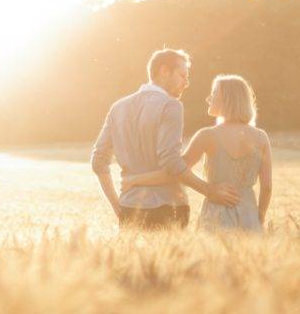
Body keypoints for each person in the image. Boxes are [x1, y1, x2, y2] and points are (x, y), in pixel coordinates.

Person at [90, 49, 242, 229]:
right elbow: (171, 162)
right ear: (163, 72)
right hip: (167, 208)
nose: (187, 83)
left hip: (129, 207)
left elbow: (98, 161)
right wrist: (208, 190)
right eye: (182, 75)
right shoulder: (171, 105)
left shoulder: (118, 107)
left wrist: (118, 207)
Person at [121, 73, 271, 232]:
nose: (209, 98)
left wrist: (135, 179)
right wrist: (259, 217)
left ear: (227, 99)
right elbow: (267, 187)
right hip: (250, 216)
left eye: (214, 93)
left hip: (216, 217)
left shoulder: (208, 136)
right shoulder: (261, 137)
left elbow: (176, 172)